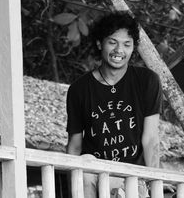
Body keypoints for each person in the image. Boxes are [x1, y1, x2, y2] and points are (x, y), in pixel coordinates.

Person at [66, 11, 163, 197]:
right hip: (93, 174)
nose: (120, 50)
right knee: (85, 164)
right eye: (112, 42)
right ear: (99, 44)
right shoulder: (79, 89)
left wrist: (155, 183)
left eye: (127, 44)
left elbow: (150, 139)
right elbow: (75, 145)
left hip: (132, 177)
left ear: (133, 48)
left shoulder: (147, 80)